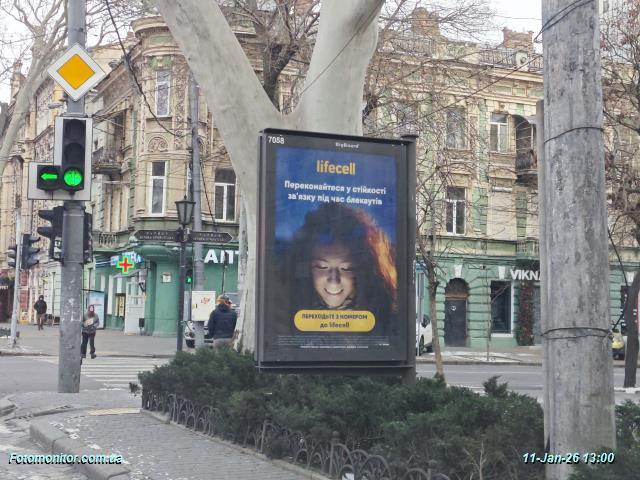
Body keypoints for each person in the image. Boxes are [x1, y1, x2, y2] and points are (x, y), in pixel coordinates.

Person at [284, 202, 398, 324]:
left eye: (346, 268)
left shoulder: (386, 320)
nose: (334, 280)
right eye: (322, 266)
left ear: (366, 270)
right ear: (306, 268)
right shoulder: (285, 312)